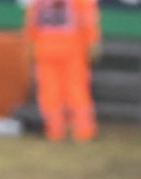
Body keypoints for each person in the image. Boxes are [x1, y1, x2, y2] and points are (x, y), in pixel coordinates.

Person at [25, 0, 100, 142]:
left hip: (47, 47)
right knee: (74, 89)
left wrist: (30, 42)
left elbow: (32, 18)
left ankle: (56, 131)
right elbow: (87, 18)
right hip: (70, 48)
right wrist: (91, 41)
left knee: (50, 91)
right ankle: (82, 130)